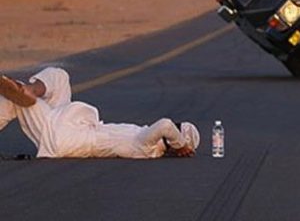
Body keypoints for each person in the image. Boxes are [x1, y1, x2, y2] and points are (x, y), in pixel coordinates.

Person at [0, 67, 199, 159]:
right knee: (60, 77)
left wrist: (180, 144)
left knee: (21, 102)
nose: (174, 126)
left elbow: (164, 124)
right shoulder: (147, 141)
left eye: (178, 129)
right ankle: (29, 89)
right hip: (74, 126)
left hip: (64, 138)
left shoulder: (147, 148)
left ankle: (25, 92)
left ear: (174, 142)